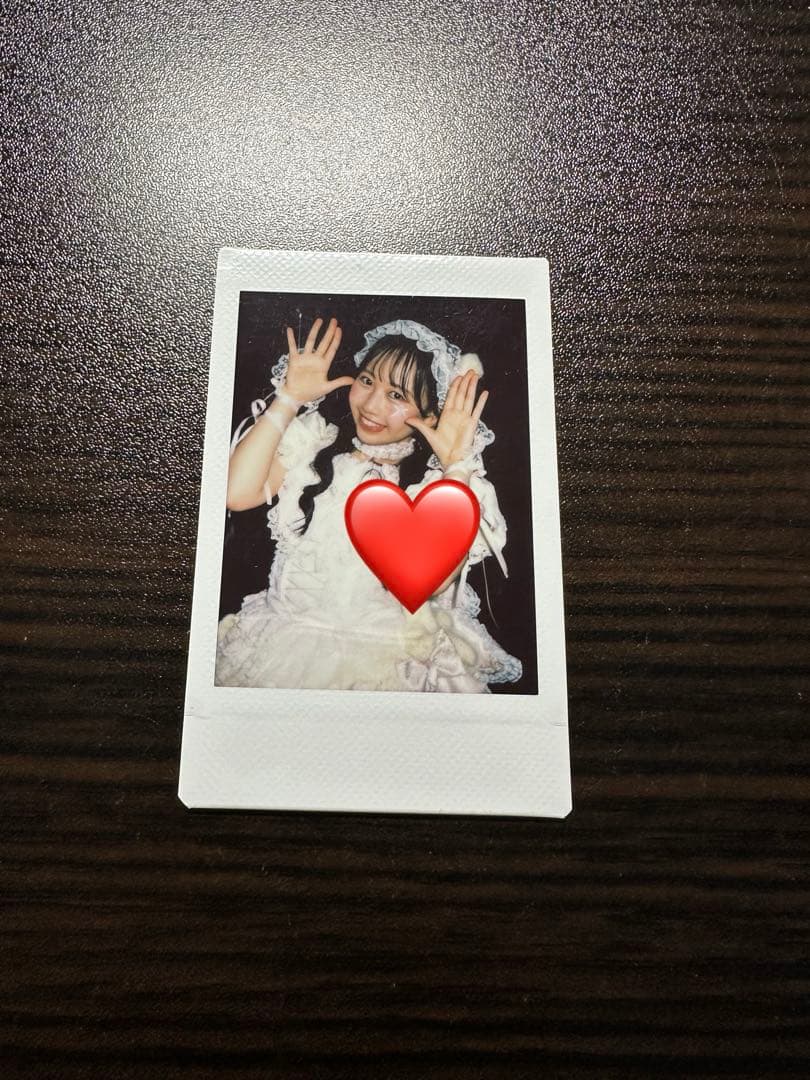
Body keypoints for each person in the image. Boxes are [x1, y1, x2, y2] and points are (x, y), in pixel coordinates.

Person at [216, 315, 523, 693]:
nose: (372, 404)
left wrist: (456, 467)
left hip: (386, 667)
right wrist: (289, 399)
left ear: (432, 415)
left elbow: (430, 581)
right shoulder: (316, 442)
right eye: (367, 381)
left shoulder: (437, 487)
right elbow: (235, 493)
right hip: (278, 649)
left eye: (397, 396)